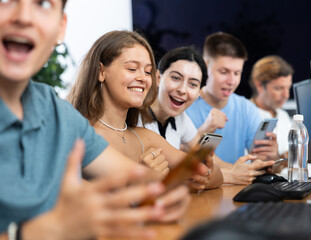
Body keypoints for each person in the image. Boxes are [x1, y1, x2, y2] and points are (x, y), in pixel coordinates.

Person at [0, 1, 192, 239]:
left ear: (60, 28)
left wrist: (164, 193)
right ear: (102, 71)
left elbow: (139, 182)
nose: (24, 17)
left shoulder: (58, 113)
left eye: (43, 4)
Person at [67, 31, 223, 190]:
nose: (143, 78)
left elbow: (215, 175)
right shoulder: (82, 136)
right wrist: (149, 179)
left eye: (147, 72)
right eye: (132, 68)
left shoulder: (145, 137)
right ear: (101, 72)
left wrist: (203, 174)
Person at [143, 46, 273, 185]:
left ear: (199, 91)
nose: (182, 90)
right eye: (175, 78)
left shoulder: (180, 118)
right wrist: (231, 175)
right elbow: (184, 172)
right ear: (158, 77)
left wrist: (249, 171)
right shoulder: (136, 117)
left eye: (193, 84)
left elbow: (211, 160)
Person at [186, 32, 278, 184]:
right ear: (205, 66)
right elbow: (179, 161)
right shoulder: (184, 105)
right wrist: (204, 130)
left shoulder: (246, 108)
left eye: (237, 73)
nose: (232, 81)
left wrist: (271, 157)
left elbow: (259, 163)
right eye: (224, 72)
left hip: (236, 193)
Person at [250, 55, 294, 159]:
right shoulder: (248, 114)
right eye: (279, 88)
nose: (286, 95)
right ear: (259, 85)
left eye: (288, 88)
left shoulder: (283, 115)